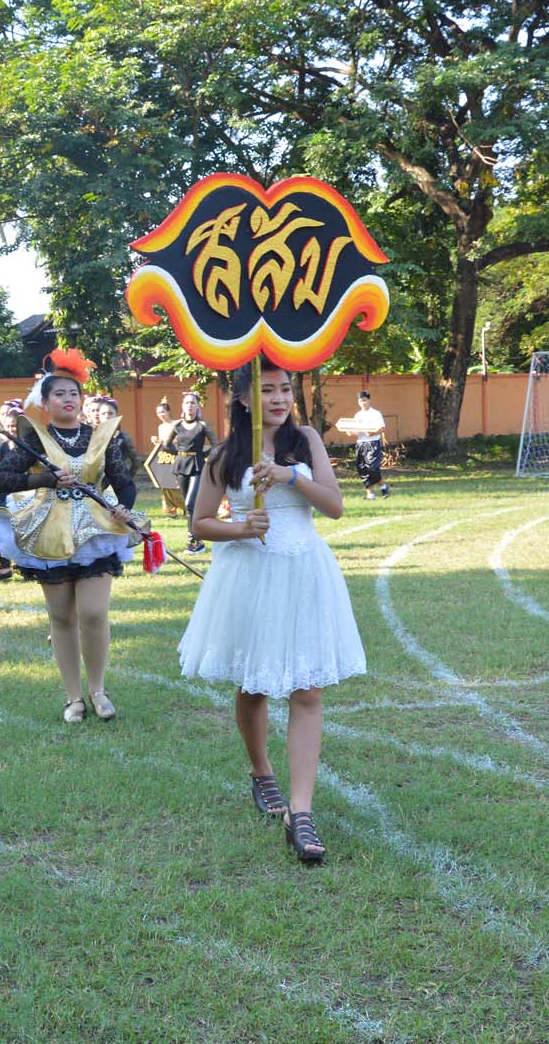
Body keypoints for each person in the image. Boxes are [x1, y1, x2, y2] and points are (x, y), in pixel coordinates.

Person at [178, 357, 363, 865]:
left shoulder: (307, 441)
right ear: (243, 398)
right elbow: (199, 523)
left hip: (304, 571)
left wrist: (290, 477)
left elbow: (334, 506)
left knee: (307, 689)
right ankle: (261, 772)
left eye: (285, 389)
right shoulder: (225, 454)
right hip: (249, 576)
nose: (279, 398)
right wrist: (240, 527)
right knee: (253, 685)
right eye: (267, 390)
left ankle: (299, 812)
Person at [0, 349, 141, 723]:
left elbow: (124, 482)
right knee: (61, 617)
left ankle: (98, 690)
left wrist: (123, 506)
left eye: (74, 393)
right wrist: (45, 479)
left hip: (95, 532)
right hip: (49, 533)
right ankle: (74, 698)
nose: (68, 399)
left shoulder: (100, 437)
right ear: (45, 401)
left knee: (93, 613)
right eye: (59, 394)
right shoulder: (36, 439)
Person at [170, 391, 214, 551]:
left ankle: (197, 541)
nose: (189, 405)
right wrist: (180, 454)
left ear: (197, 406)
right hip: (181, 466)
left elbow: (216, 445)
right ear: (182, 406)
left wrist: (202, 455)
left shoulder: (203, 426)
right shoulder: (176, 425)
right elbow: (166, 445)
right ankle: (194, 541)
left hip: (197, 466)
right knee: (188, 506)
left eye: (193, 402)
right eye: (187, 402)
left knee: (191, 503)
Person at [0, 399, 24, 582]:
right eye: (8, 426)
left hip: (26, 494)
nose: (11, 429)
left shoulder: (29, 445)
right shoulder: (2, 445)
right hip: (6, 494)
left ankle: (27, 566)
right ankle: (4, 567)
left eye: (14, 426)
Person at [338, 390, 389, 498]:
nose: (363, 403)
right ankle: (370, 494)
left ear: (369, 400)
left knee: (372, 468)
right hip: (361, 444)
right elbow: (357, 433)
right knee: (363, 469)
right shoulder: (357, 415)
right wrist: (350, 432)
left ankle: (383, 486)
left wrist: (372, 433)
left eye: (364, 400)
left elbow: (382, 428)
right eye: (360, 401)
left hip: (373, 444)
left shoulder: (376, 413)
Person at [146, 398, 184, 518]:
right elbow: (162, 445)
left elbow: (182, 440)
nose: (161, 415)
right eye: (158, 413)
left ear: (168, 412)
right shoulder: (161, 427)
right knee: (165, 483)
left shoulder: (177, 424)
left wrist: (169, 441)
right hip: (165, 458)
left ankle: (186, 507)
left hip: (178, 456)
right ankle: (171, 510)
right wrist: (157, 441)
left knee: (179, 484)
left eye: (163, 412)